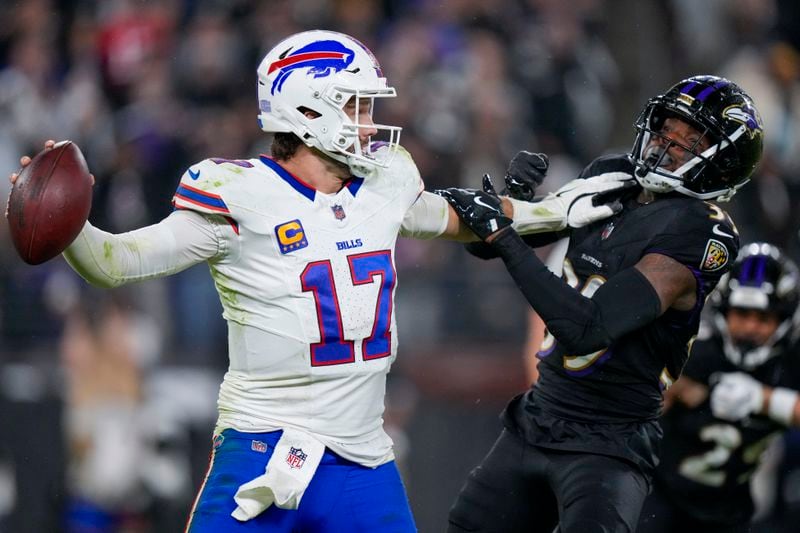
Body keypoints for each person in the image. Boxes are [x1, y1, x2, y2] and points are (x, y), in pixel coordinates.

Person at [7, 30, 629, 532]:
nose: (370, 122)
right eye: (356, 105)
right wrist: (66, 224)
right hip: (260, 448)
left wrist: (563, 208)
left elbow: (468, 219)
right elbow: (116, 262)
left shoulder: (385, 184)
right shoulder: (238, 192)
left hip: (362, 458)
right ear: (308, 110)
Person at [437, 74, 765, 532]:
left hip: (608, 442)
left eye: (690, 139)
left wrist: (503, 233)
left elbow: (587, 328)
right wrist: (514, 205)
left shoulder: (702, 230)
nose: (667, 144)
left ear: (722, 163)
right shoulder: (614, 175)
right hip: (539, 414)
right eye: (667, 129)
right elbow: (488, 247)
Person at [637, 242, 800, 533]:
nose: (750, 327)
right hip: (660, 499)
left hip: (728, 511)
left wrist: (763, 400)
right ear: (724, 310)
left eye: (763, 318)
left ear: (784, 318)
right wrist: (670, 390)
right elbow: (636, 406)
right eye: (742, 314)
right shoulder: (697, 352)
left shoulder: (789, 362)